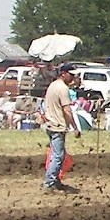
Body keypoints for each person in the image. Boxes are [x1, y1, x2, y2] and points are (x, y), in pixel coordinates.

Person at [42, 63, 81, 192]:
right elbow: (67, 110)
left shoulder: (53, 85)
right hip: (58, 125)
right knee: (58, 156)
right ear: (63, 74)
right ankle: (49, 182)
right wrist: (75, 127)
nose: (73, 78)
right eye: (71, 75)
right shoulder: (63, 89)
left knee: (57, 154)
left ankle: (55, 181)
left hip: (50, 123)